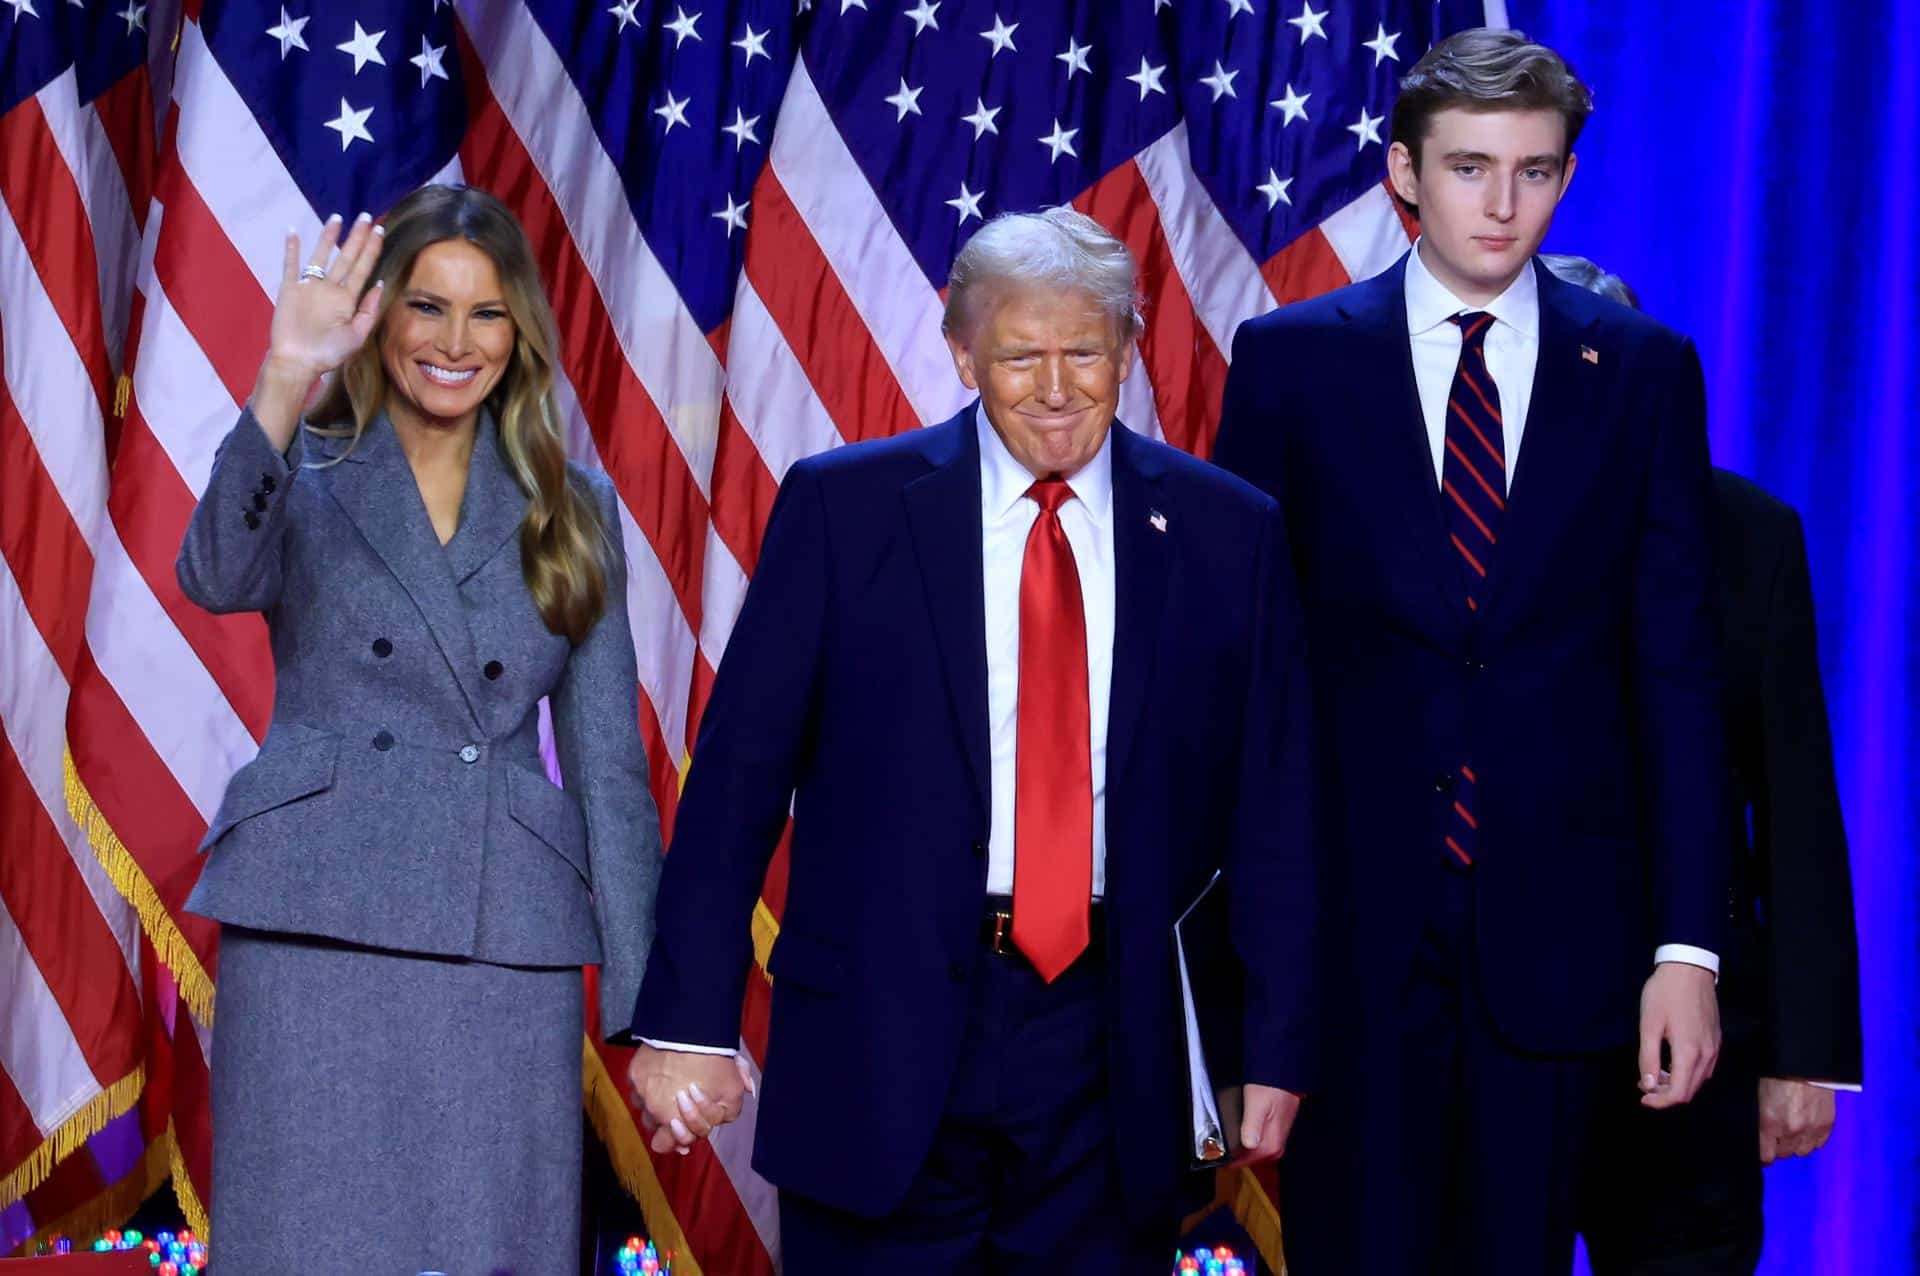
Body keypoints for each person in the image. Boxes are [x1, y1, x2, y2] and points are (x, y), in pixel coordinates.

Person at [625, 207, 1320, 1271]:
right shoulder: (845, 509)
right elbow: (735, 787)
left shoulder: (1231, 531)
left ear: (1128, 350)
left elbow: (1273, 809)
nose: (1055, 385)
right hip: (877, 1032)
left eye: (1084, 351)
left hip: (1112, 1044)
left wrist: (1270, 1044)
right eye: (1019, 355)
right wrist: (686, 1021)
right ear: (962, 354)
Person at [1210, 29, 1733, 1275]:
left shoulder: (1646, 372)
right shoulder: (1290, 362)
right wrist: (1245, 963)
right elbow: (1246, 680)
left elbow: (1678, 673)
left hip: (1564, 944)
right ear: (1404, 172)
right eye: (1470, 167)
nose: (1503, 205)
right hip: (1351, 939)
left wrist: (1688, 949)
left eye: (1536, 172)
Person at [176, 184, 663, 1271]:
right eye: (427, 307)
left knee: (489, 1243)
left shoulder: (571, 506)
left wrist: (648, 1012)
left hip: (505, 937)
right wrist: (283, 378)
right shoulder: (299, 464)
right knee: (306, 1243)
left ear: (519, 331)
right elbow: (212, 574)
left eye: (486, 313)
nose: (454, 342)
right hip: (314, 921)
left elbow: (609, 773)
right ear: (381, 316)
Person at [1541, 254, 1865, 1274]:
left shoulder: (1749, 534)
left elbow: (1799, 808)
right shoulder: (1445, 539)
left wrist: (1806, 1053)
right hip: (1497, 1035)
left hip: (1702, 1040)